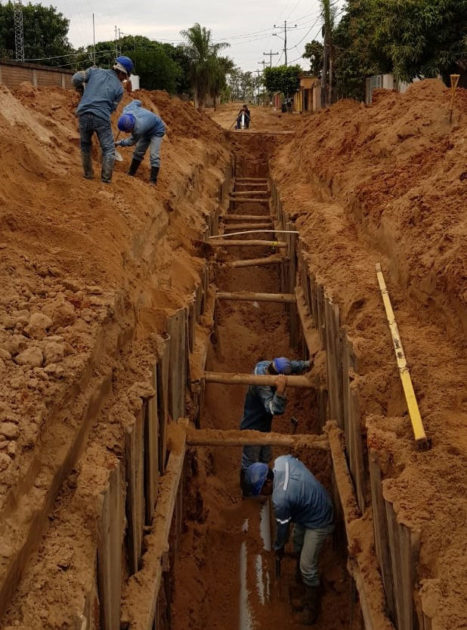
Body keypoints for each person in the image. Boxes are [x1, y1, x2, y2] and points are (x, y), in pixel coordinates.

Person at [245, 455, 334, 625]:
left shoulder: (281, 499)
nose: (262, 496)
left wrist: (278, 548)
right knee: (298, 543)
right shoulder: (281, 461)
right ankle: (301, 584)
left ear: (267, 483)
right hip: (308, 506)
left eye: (261, 491)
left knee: (307, 565)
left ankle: (311, 610)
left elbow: (283, 531)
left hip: (319, 519)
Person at [239, 357, 310, 493]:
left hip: (264, 425)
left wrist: (305, 364)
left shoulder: (266, 365)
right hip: (253, 427)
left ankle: (264, 486)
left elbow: (288, 365)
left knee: (265, 458)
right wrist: (280, 391)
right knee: (250, 463)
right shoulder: (262, 384)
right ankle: (247, 491)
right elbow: (273, 409)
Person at [72, 56, 134, 183]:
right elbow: (112, 108)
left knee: (85, 145)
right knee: (109, 149)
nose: (124, 79)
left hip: (83, 114)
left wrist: (81, 90)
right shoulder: (119, 89)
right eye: (125, 76)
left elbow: (76, 79)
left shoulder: (94, 71)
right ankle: (105, 180)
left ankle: (88, 174)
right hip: (101, 117)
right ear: (122, 72)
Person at [115, 100, 166, 185]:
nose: (126, 132)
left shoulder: (138, 129)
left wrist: (119, 143)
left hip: (157, 130)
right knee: (138, 151)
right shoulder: (127, 109)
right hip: (147, 126)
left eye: (127, 131)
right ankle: (131, 173)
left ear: (131, 127)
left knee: (154, 155)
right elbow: (137, 102)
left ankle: (153, 181)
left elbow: (131, 142)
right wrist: (141, 110)